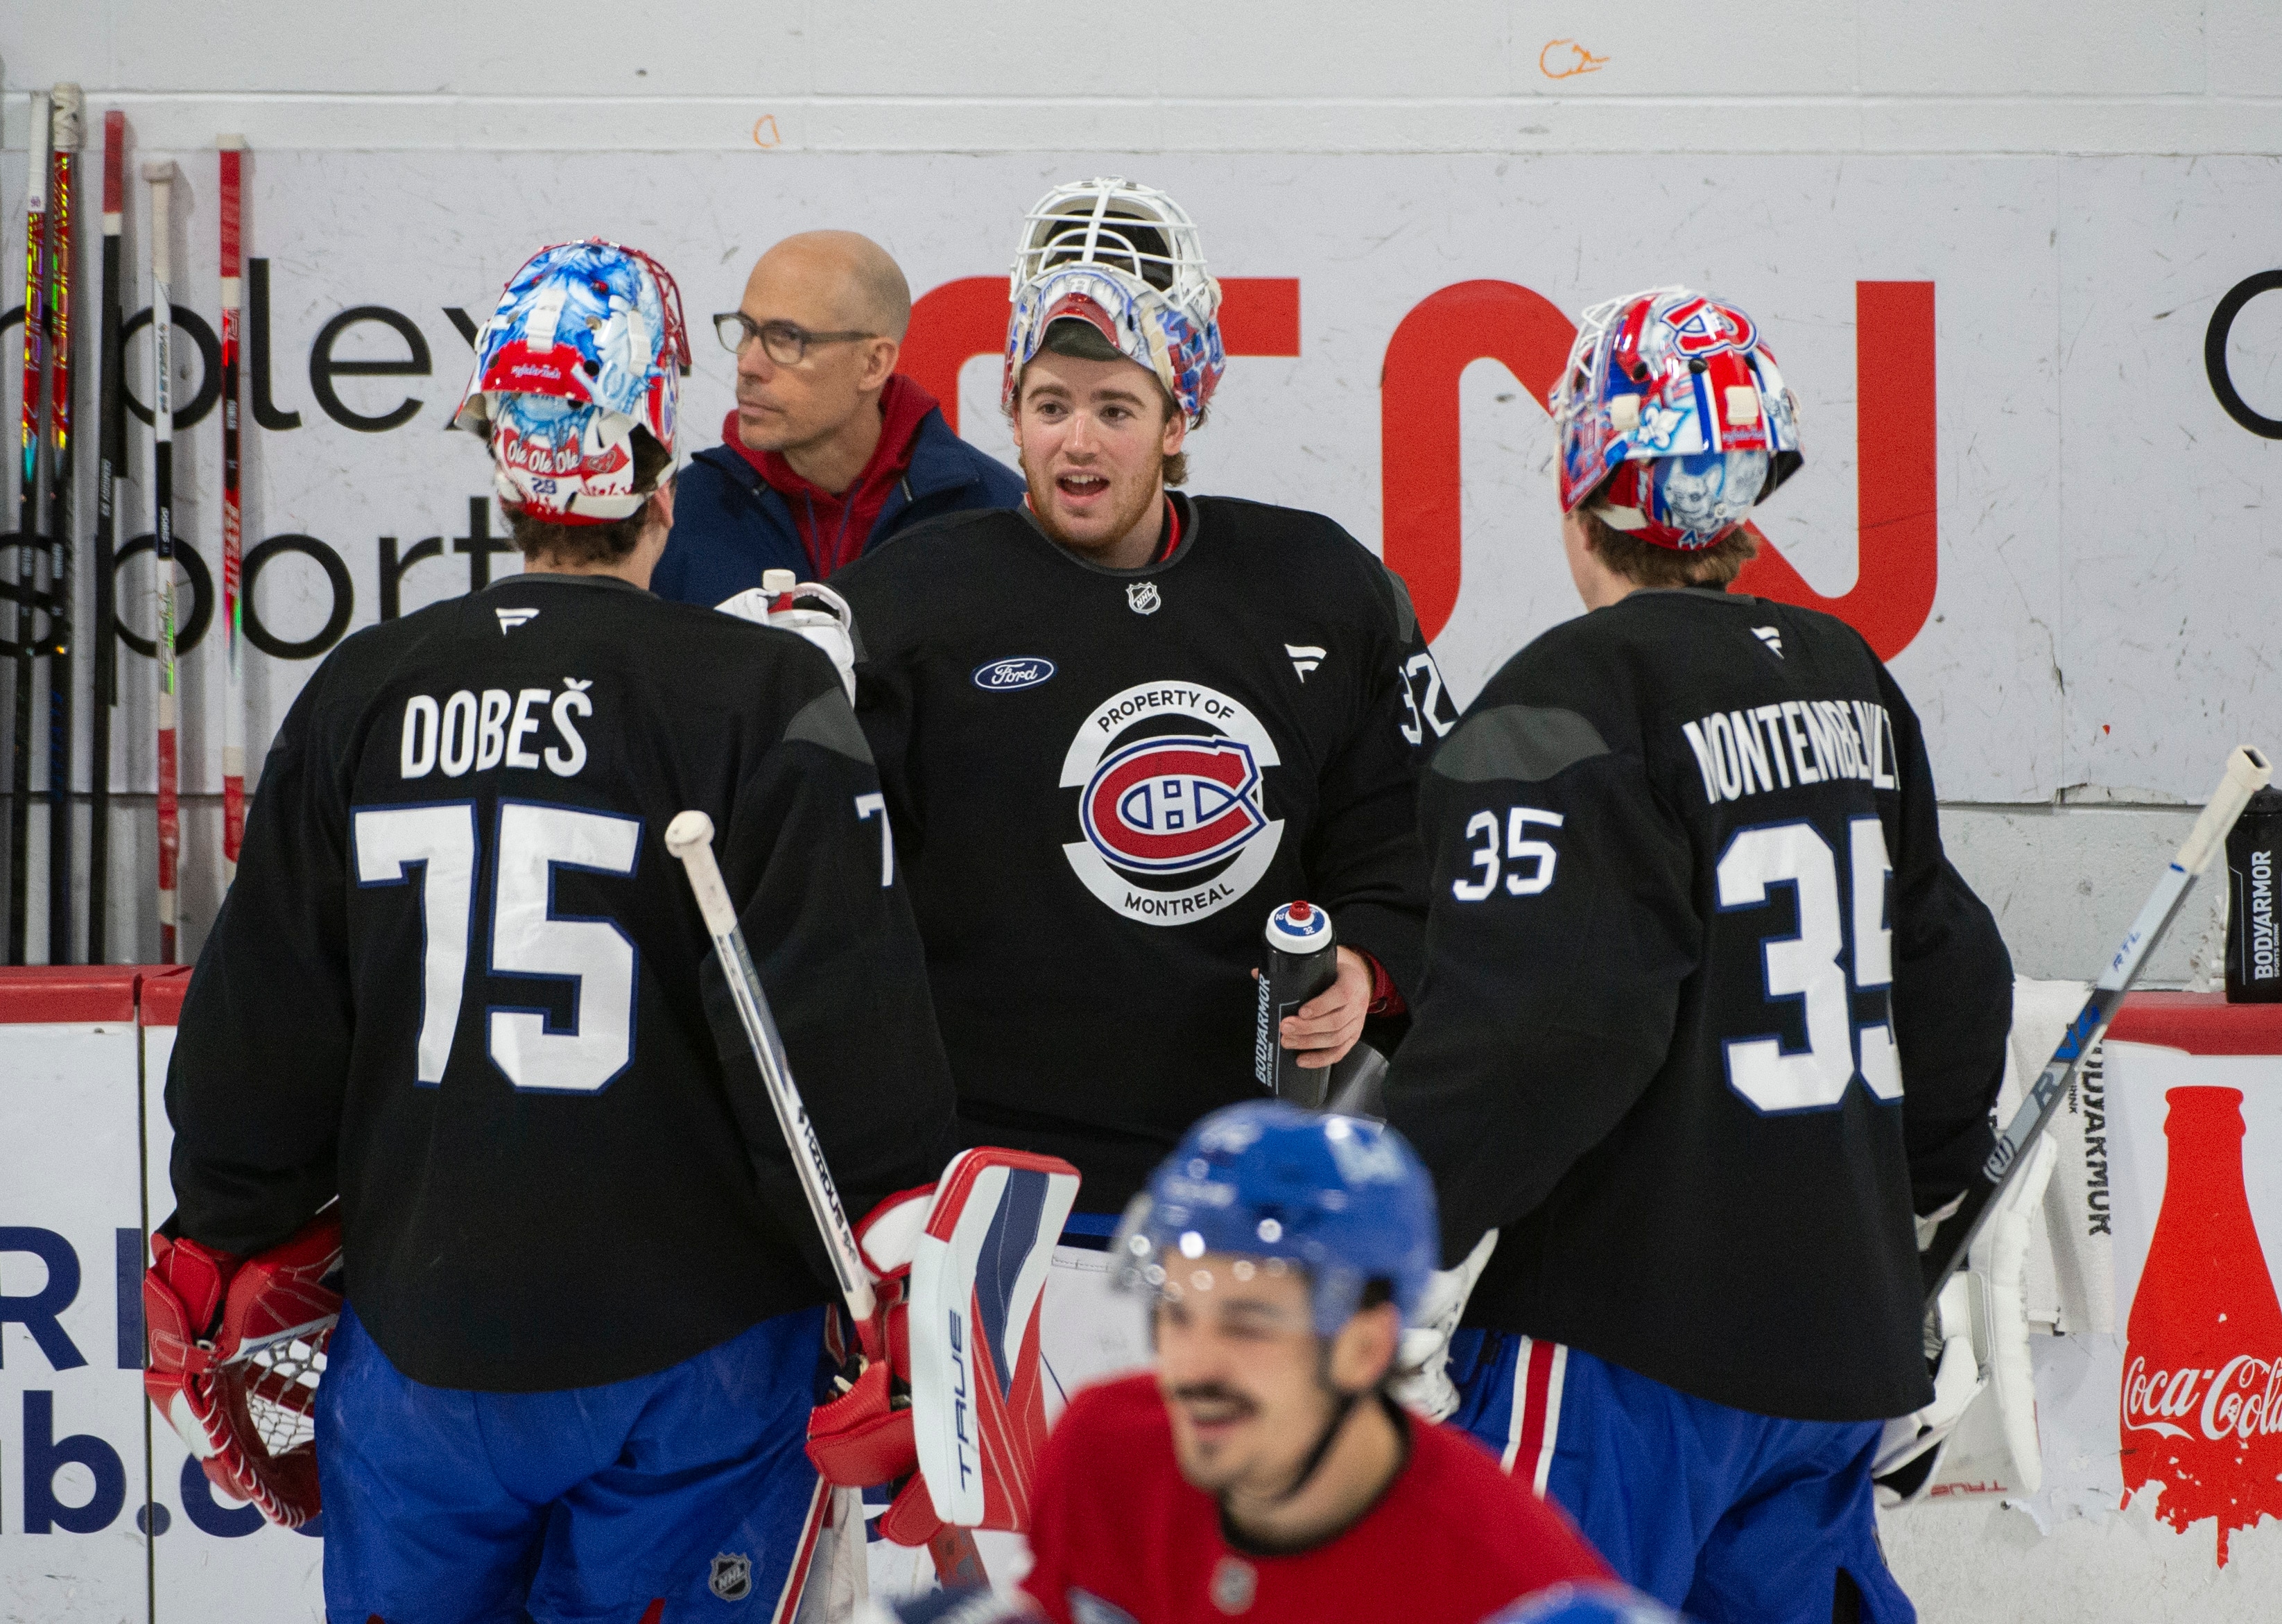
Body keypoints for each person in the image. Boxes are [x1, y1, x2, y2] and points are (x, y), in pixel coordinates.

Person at [149, 239, 958, 1624]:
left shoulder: (362, 688)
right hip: (694, 1358)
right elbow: (833, 1024)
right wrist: (903, 1278)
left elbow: (264, 1024)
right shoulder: (758, 690)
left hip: (420, 1349)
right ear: (660, 449)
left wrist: (225, 1226)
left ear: (503, 453)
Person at [1383, 287, 2013, 1624]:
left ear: (1578, 473)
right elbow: (1953, 970)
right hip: (1832, 1359)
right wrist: (1900, 1239)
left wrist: (1403, 1256)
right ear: (1742, 493)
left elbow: (1541, 1028)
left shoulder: (1565, 699)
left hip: (1627, 1342)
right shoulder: (1847, 675)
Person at [831, 180, 1452, 1345]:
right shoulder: (904, 607)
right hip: (992, 1208)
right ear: (1010, 409)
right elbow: (826, 910)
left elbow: (1409, 835)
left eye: (1116, 408)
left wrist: (1370, 967)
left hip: (1252, 1213)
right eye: (1048, 402)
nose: (1076, 439)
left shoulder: (1321, 584)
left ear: (1179, 419)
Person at [998, 1100, 1609, 1623]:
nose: (1193, 1368)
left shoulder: (1515, 1585)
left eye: (1249, 1325)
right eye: (1177, 1313)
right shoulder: (1104, 1446)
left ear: (1365, 1348)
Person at [652, 230, 1024, 603]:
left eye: (786, 338)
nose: (748, 364)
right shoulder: (672, 518)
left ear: (873, 364)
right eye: (747, 330)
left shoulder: (996, 517)